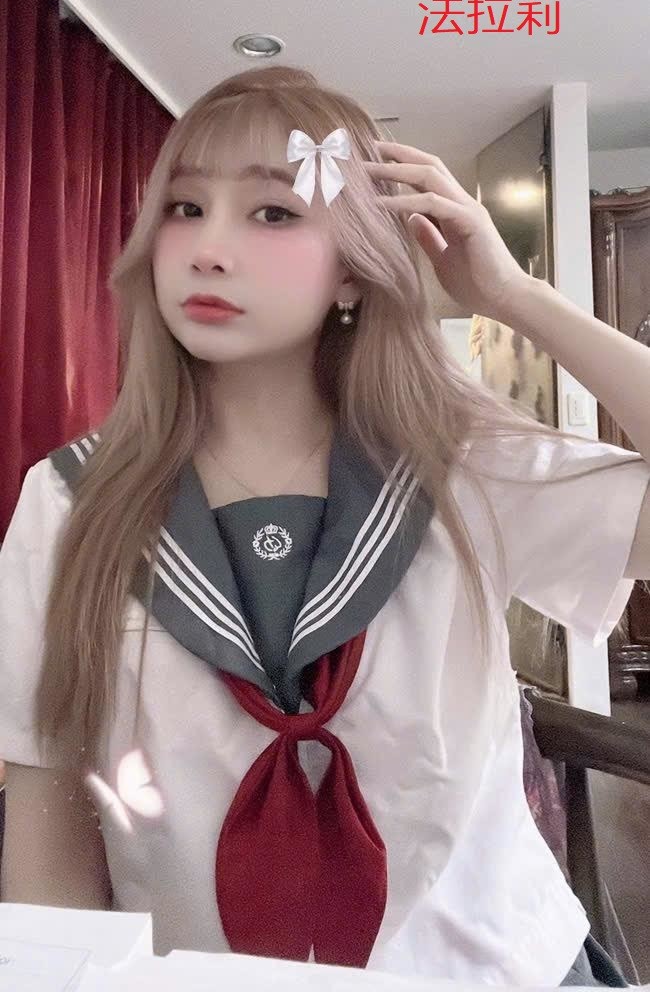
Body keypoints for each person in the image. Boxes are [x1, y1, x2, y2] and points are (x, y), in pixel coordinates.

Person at [1, 65, 649, 986]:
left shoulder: (463, 469)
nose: (207, 249)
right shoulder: (71, 501)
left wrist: (514, 297)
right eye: (185, 208)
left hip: (490, 972)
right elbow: (50, 809)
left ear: (353, 267)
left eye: (272, 212)